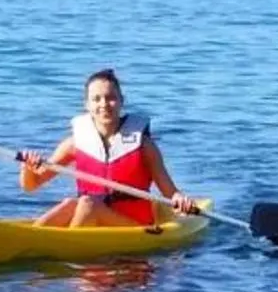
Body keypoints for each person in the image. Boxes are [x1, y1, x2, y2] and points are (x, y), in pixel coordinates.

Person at [16, 69, 203, 228]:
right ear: (87, 105)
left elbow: (170, 193)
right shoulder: (74, 144)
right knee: (70, 204)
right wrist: (27, 166)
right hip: (92, 217)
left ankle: (60, 249)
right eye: (96, 99)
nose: (104, 104)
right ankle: (28, 238)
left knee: (88, 204)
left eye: (110, 98)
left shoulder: (144, 146)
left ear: (122, 101)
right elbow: (31, 185)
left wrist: (181, 200)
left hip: (134, 224)